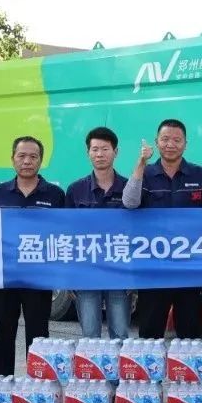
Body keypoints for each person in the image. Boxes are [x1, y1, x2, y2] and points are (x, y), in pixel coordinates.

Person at [122, 119, 202, 339]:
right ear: (157, 142)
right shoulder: (145, 173)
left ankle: (187, 363)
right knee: (149, 332)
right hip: (153, 268)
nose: (170, 144)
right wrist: (141, 162)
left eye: (176, 140)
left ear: (185, 144)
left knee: (189, 334)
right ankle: (150, 364)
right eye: (165, 139)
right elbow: (129, 203)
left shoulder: (199, 175)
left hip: (189, 269)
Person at [0, 136, 65, 376]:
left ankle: (38, 383)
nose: (27, 161)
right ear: (12, 159)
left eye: (33, 156)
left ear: (41, 160)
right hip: (5, 277)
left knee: (38, 334)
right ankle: (1, 384)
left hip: (39, 278)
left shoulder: (55, 195)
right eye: (21, 156)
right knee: (3, 331)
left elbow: (64, 234)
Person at [66, 127, 131, 340]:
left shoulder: (129, 188)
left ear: (116, 152)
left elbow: (138, 232)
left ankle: (120, 365)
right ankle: (92, 365)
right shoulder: (75, 190)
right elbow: (67, 234)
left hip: (119, 272)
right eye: (95, 149)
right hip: (86, 272)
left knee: (120, 334)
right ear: (88, 153)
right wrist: (70, 276)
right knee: (90, 335)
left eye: (105, 149)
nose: (100, 154)